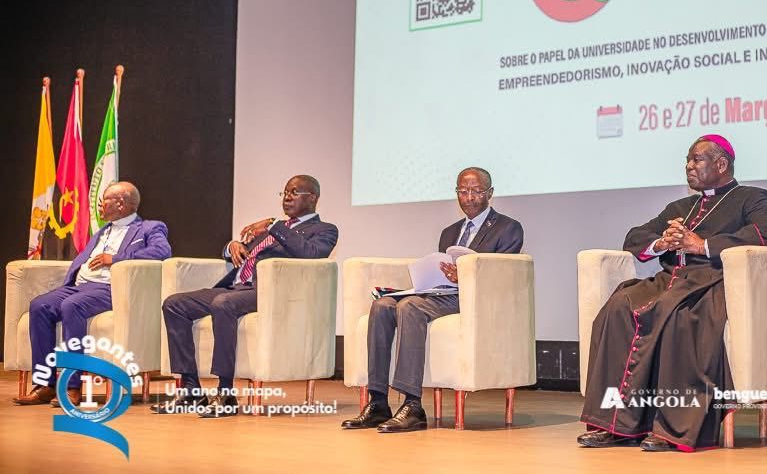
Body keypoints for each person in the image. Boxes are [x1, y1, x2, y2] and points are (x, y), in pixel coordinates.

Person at [578, 134, 767, 451]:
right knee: (618, 307)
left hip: (711, 282)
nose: (689, 165)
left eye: (696, 159)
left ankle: (673, 428)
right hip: (670, 280)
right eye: (687, 160)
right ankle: (616, 424)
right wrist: (662, 243)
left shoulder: (751, 198)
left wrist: (701, 245)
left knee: (678, 315)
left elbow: (766, 234)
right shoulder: (680, 207)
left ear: (721, 164)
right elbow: (635, 237)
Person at [341, 167, 524, 433]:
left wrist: (465, 275)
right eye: (463, 191)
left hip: (473, 299)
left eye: (476, 191)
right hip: (441, 293)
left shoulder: (508, 228)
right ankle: (378, 402)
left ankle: (413, 405)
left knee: (410, 306)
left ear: (490, 193)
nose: (469, 197)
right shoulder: (450, 231)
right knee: (382, 305)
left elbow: (503, 274)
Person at [153, 175, 338, 417]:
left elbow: (311, 254)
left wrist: (273, 224)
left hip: (269, 293)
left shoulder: (324, 230)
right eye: (284, 193)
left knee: (223, 304)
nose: (287, 197)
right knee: (174, 304)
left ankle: (225, 393)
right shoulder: (269, 231)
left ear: (312, 197)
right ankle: (191, 391)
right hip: (236, 287)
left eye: (294, 192)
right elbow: (242, 252)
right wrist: (232, 246)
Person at [14, 182, 171, 406]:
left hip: (108, 288)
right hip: (79, 286)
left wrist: (114, 259)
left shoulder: (149, 228)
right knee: (39, 305)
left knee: (72, 306)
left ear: (121, 203)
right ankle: (45, 385)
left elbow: (162, 251)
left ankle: (72, 386)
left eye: (104, 200)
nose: (99, 205)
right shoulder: (102, 231)